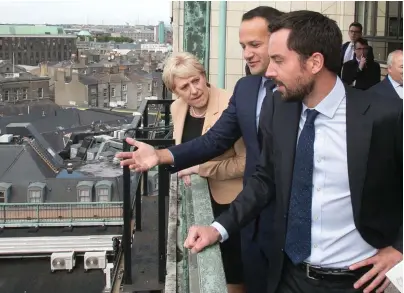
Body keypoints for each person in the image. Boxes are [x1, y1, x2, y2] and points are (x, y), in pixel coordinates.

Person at [182, 10, 403, 293]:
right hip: (288, 277)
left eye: (278, 60)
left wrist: (399, 248)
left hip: (360, 282)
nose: (269, 71)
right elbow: (265, 178)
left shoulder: (385, 115)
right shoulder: (279, 108)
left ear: (314, 62)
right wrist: (218, 228)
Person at [116, 6, 284, 293]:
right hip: (245, 212)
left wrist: (201, 168)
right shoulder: (247, 89)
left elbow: (251, 160)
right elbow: (214, 141)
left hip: (268, 209)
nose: (246, 54)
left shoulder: (290, 93)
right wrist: (160, 156)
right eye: (243, 46)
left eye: (254, 45)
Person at [162, 52, 246, 293]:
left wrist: (202, 168)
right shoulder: (178, 108)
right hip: (199, 202)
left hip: (234, 204)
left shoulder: (232, 103)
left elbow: (247, 163)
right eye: (184, 87)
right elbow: (186, 149)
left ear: (203, 75)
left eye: (196, 81)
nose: (194, 90)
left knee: (233, 272)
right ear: (176, 92)